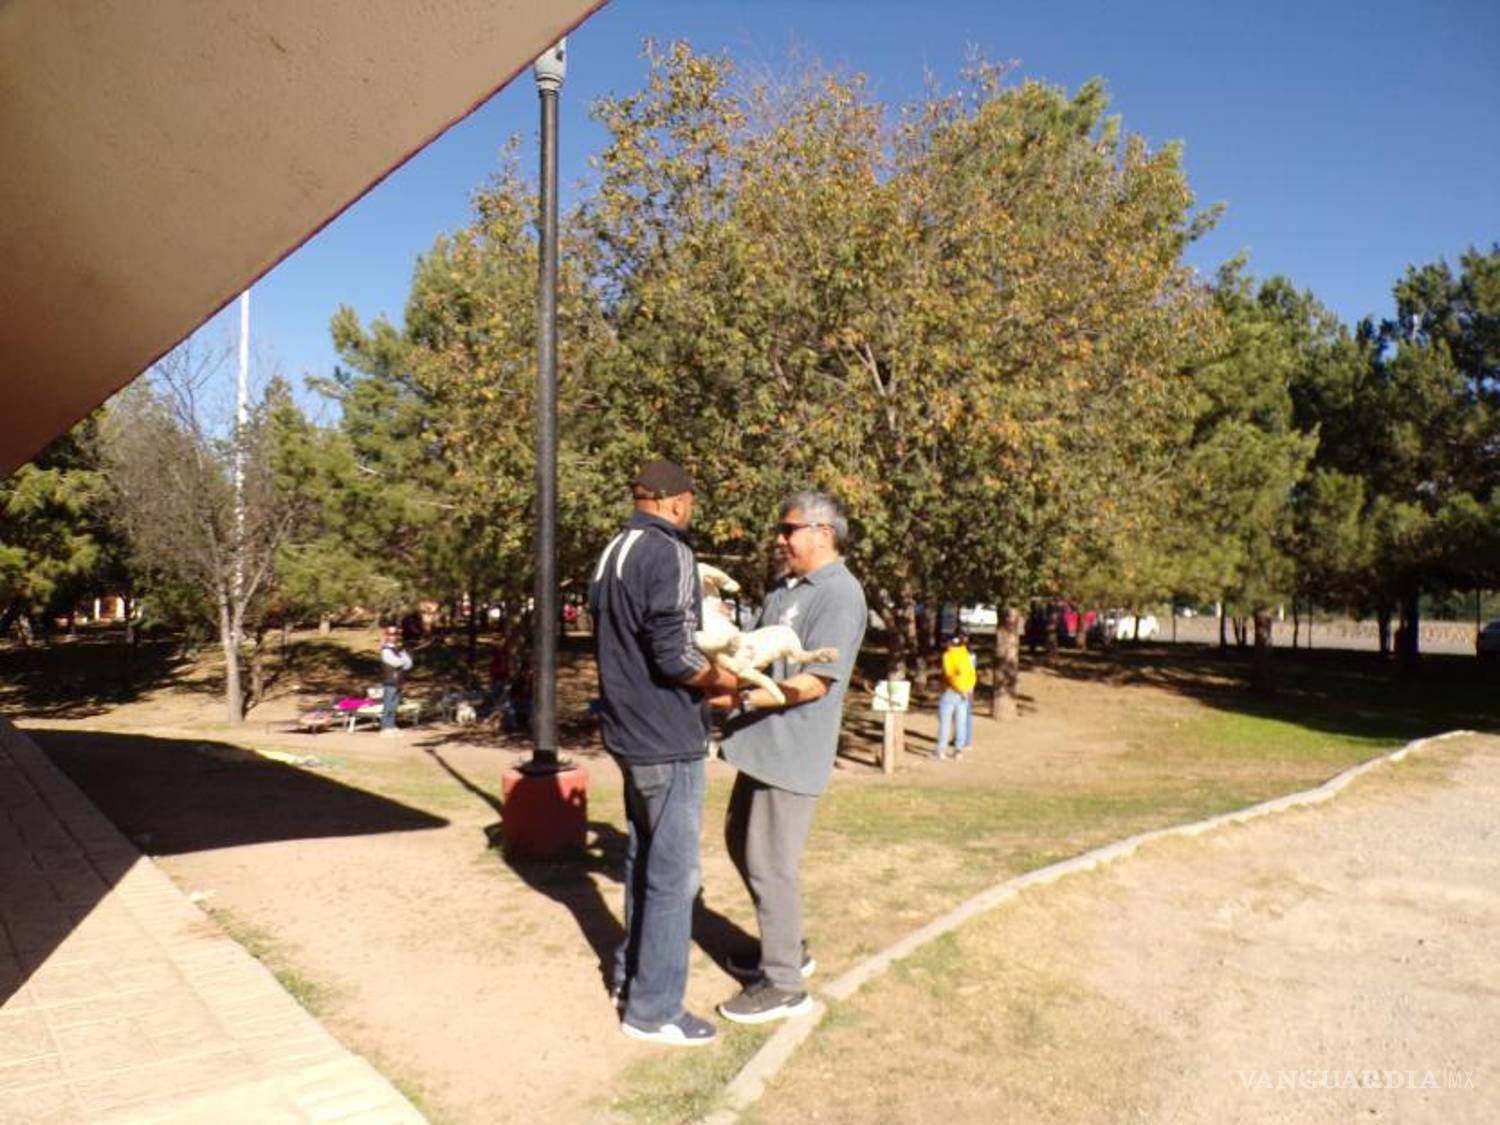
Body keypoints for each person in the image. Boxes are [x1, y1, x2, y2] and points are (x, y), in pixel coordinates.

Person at [588, 459, 741, 1047]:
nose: (690, 514)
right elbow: (675, 655)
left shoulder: (612, 551)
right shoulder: (671, 552)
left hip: (627, 732)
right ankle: (654, 1010)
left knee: (642, 862)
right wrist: (724, 680)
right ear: (677, 503)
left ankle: (631, 980)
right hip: (668, 738)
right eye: (691, 505)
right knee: (674, 878)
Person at [713, 490, 867, 1024]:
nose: (779, 539)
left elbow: (818, 681)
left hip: (793, 750)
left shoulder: (840, 594)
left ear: (823, 533)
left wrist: (744, 699)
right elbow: (755, 652)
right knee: (740, 843)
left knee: (770, 863)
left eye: (789, 529)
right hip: (758, 744)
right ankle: (787, 948)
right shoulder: (785, 588)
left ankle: (783, 985)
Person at [935, 630, 976, 760]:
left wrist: (959, 689)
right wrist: (968, 689)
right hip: (964, 694)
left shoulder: (948, 656)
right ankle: (958, 750)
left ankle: (941, 751)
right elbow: (972, 674)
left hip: (950, 692)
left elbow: (950, 675)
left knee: (945, 723)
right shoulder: (966, 655)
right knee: (961, 722)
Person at [379, 625, 413, 737]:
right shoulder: (386, 650)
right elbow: (396, 663)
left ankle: (392, 726)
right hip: (389, 681)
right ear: (386, 636)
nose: (393, 637)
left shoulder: (399, 650)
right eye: (390, 634)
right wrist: (403, 660)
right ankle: (385, 728)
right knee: (388, 705)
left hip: (399, 681)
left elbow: (408, 664)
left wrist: (403, 659)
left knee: (394, 706)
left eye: (395, 634)